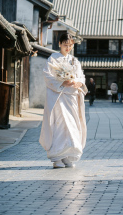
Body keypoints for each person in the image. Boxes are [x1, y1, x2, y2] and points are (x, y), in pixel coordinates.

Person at [39, 33, 87, 169]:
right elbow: (47, 76)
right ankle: (57, 157)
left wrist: (78, 82)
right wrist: (62, 82)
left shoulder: (74, 60)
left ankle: (68, 156)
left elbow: (81, 76)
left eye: (70, 45)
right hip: (59, 97)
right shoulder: (53, 59)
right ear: (59, 44)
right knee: (60, 125)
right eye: (65, 45)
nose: (68, 48)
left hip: (71, 97)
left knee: (72, 126)